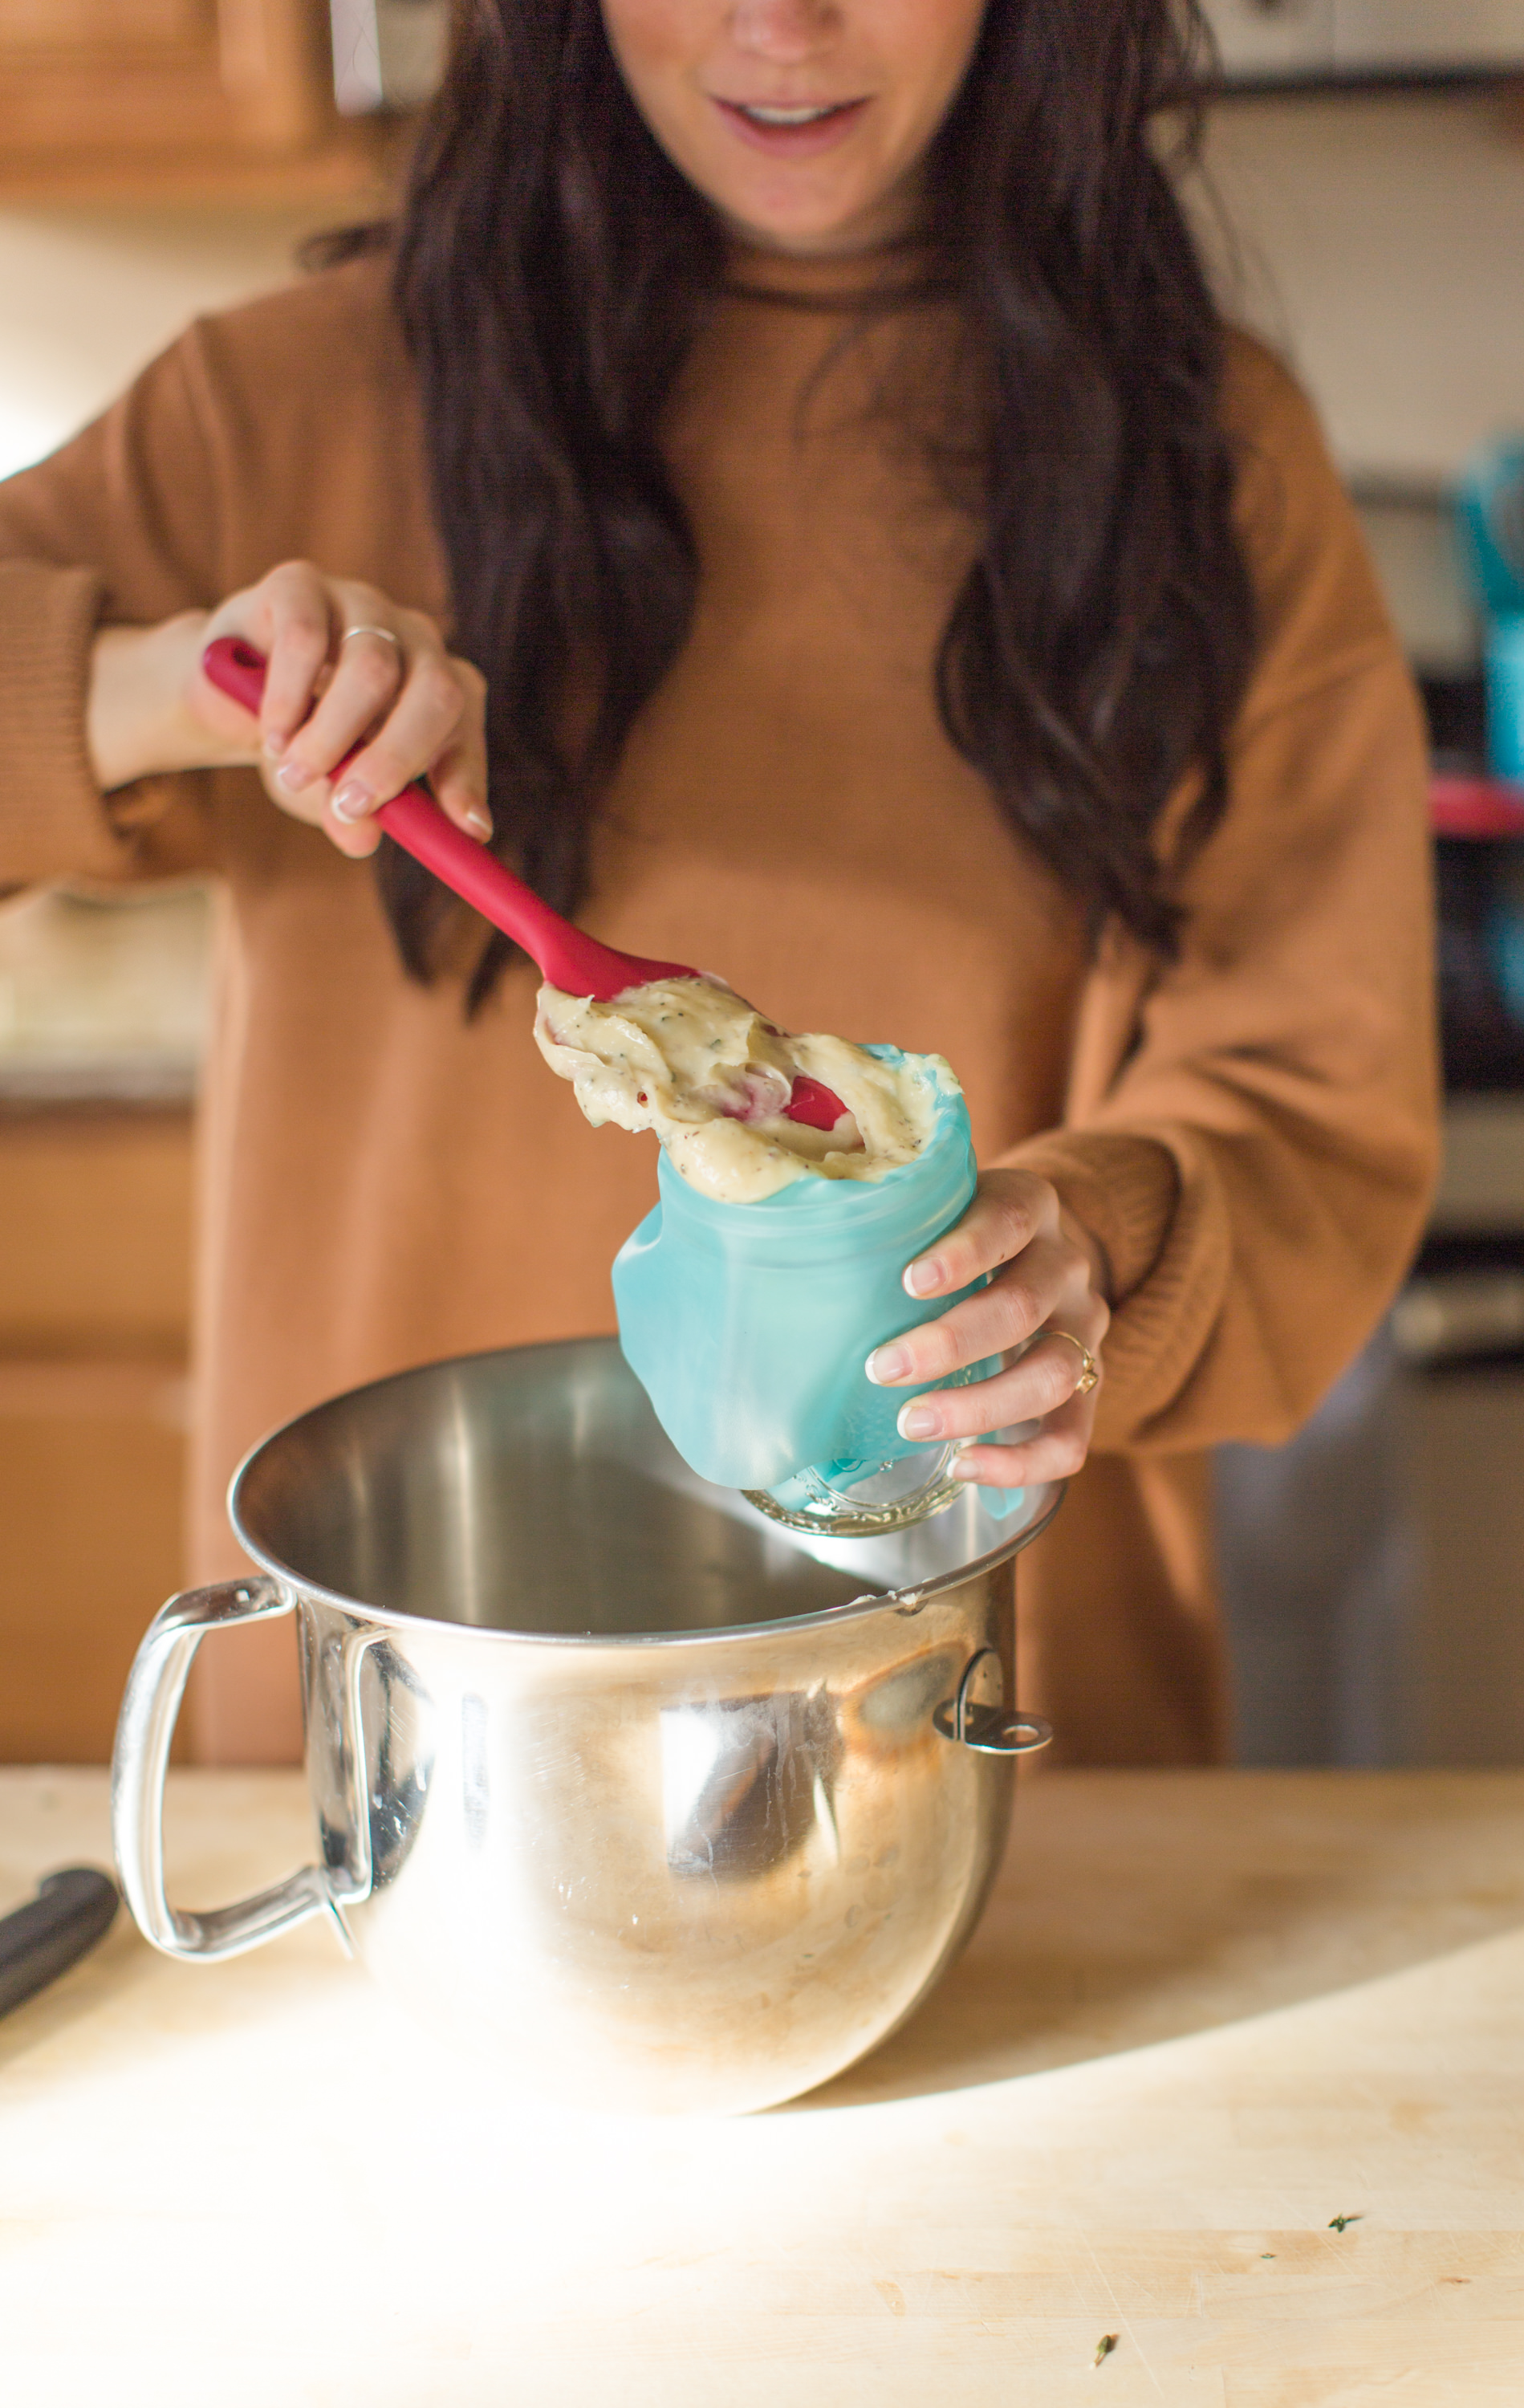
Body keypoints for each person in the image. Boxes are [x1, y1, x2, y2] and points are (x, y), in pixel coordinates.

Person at [0, 0, 1437, 1766]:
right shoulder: (277, 413)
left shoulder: (1213, 460)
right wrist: (153, 689)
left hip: (986, 1745)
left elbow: (1316, 1109)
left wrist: (1092, 1245)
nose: (782, 24)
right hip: (406, 1765)